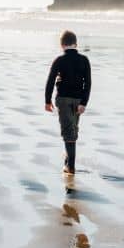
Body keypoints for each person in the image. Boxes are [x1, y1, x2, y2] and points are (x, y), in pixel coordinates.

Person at [45, 30, 92, 174]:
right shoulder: (84, 60)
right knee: (73, 129)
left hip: (63, 99)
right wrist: (84, 103)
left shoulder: (59, 60)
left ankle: (70, 166)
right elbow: (88, 83)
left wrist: (47, 100)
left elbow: (50, 81)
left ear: (62, 45)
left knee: (68, 131)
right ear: (76, 44)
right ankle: (68, 160)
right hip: (78, 100)